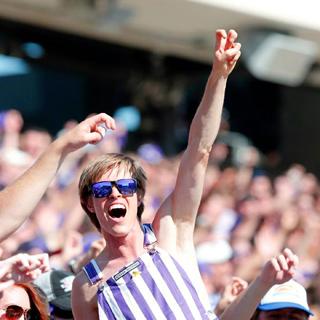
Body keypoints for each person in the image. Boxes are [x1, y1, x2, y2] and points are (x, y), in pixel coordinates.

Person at [72, 28, 241, 319]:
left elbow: (199, 152)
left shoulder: (169, 232)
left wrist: (218, 76)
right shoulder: (87, 285)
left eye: (125, 186)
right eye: (102, 189)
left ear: (138, 197)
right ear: (90, 203)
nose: (115, 194)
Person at [0, 113, 116, 242]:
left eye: (39, 145)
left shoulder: (61, 176)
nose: (33, 147)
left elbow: (63, 202)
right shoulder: (14, 161)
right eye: (29, 144)